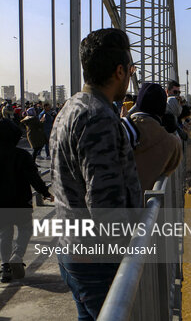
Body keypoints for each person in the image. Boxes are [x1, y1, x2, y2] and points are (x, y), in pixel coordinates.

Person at [50, 28, 142, 320]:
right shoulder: (98, 117)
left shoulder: (70, 107)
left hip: (72, 249)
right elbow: (105, 205)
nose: (130, 76)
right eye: (131, 70)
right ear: (119, 71)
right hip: (95, 260)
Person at [0, 119, 54, 283]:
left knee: (4, 234)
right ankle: (18, 254)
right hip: (21, 201)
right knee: (25, 229)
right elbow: (34, 178)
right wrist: (45, 192)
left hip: (1, 203)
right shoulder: (22, 155)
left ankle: (5, 267)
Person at [130, 83, 182, 191]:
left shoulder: (117, 130)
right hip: (147, 204)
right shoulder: (172, 143)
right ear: (163, 108)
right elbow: (170, 167)